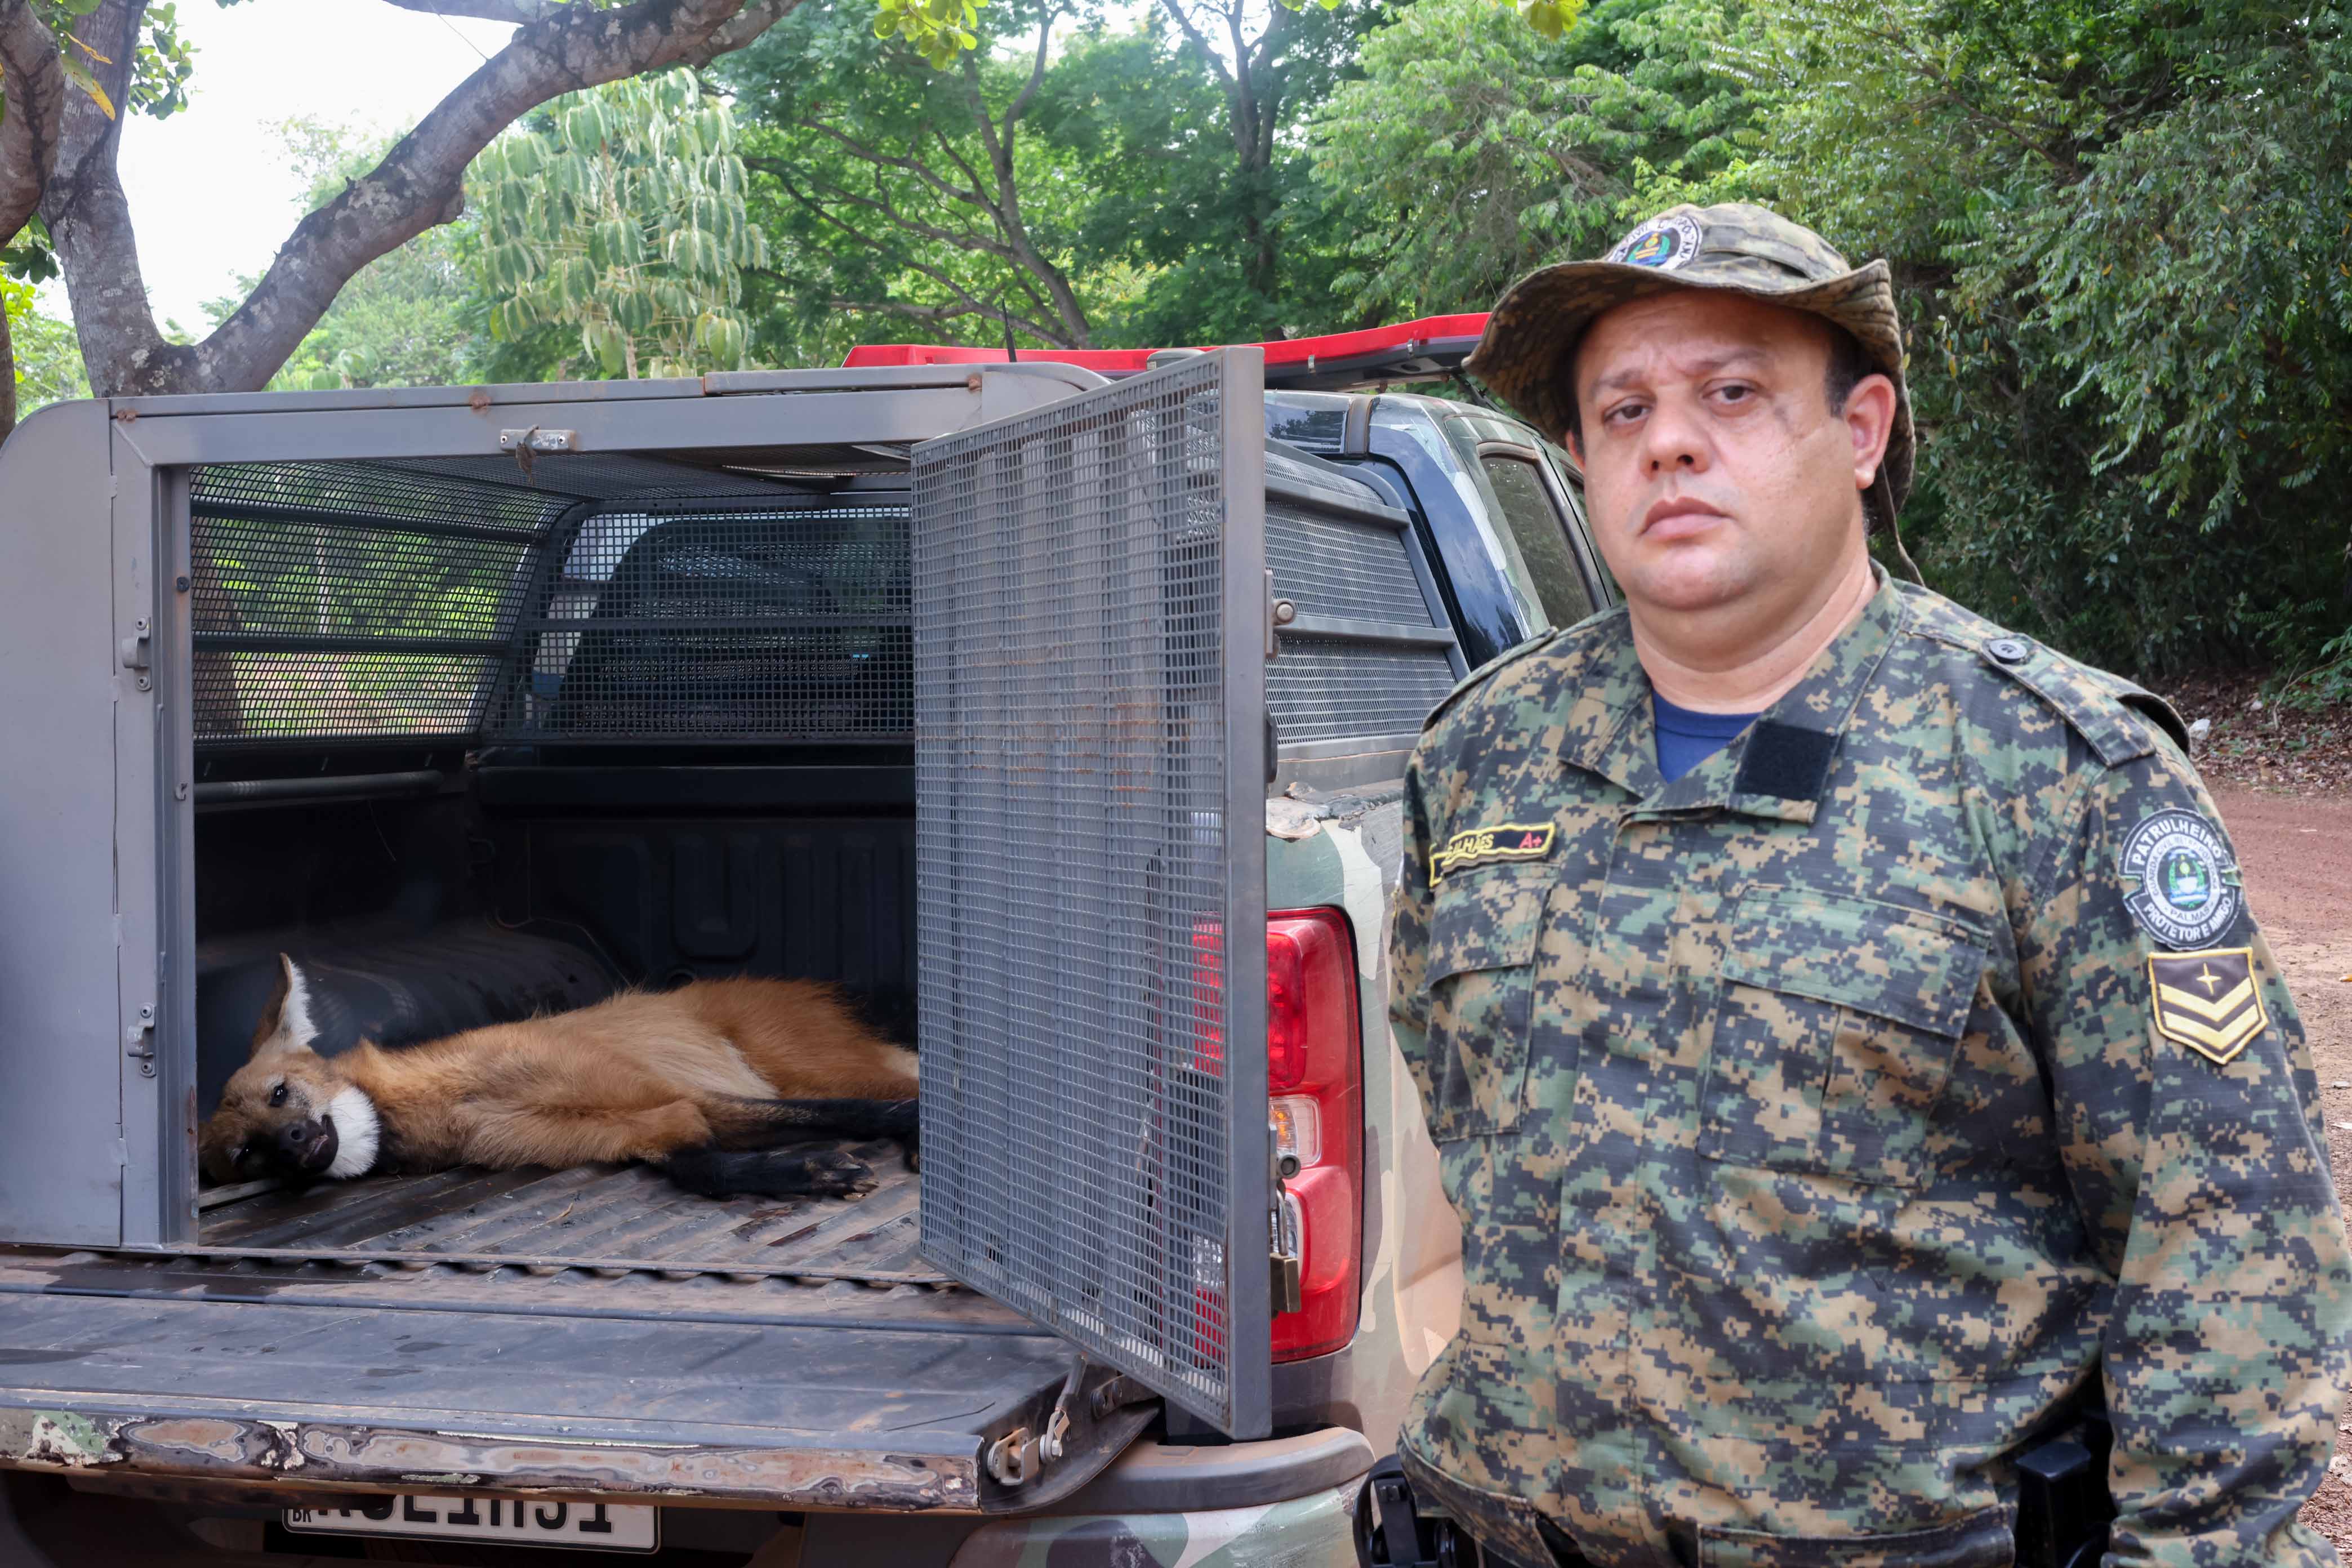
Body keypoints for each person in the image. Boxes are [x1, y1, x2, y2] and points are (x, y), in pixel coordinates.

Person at [1387, 202, 2352, 1568]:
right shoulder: (1481, 757)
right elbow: (1463, 1114)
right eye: (1622, 410)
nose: (1669, 440)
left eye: (1733, 393)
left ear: (1860, 431)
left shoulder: (2054, 767)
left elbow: (2231, 1251)